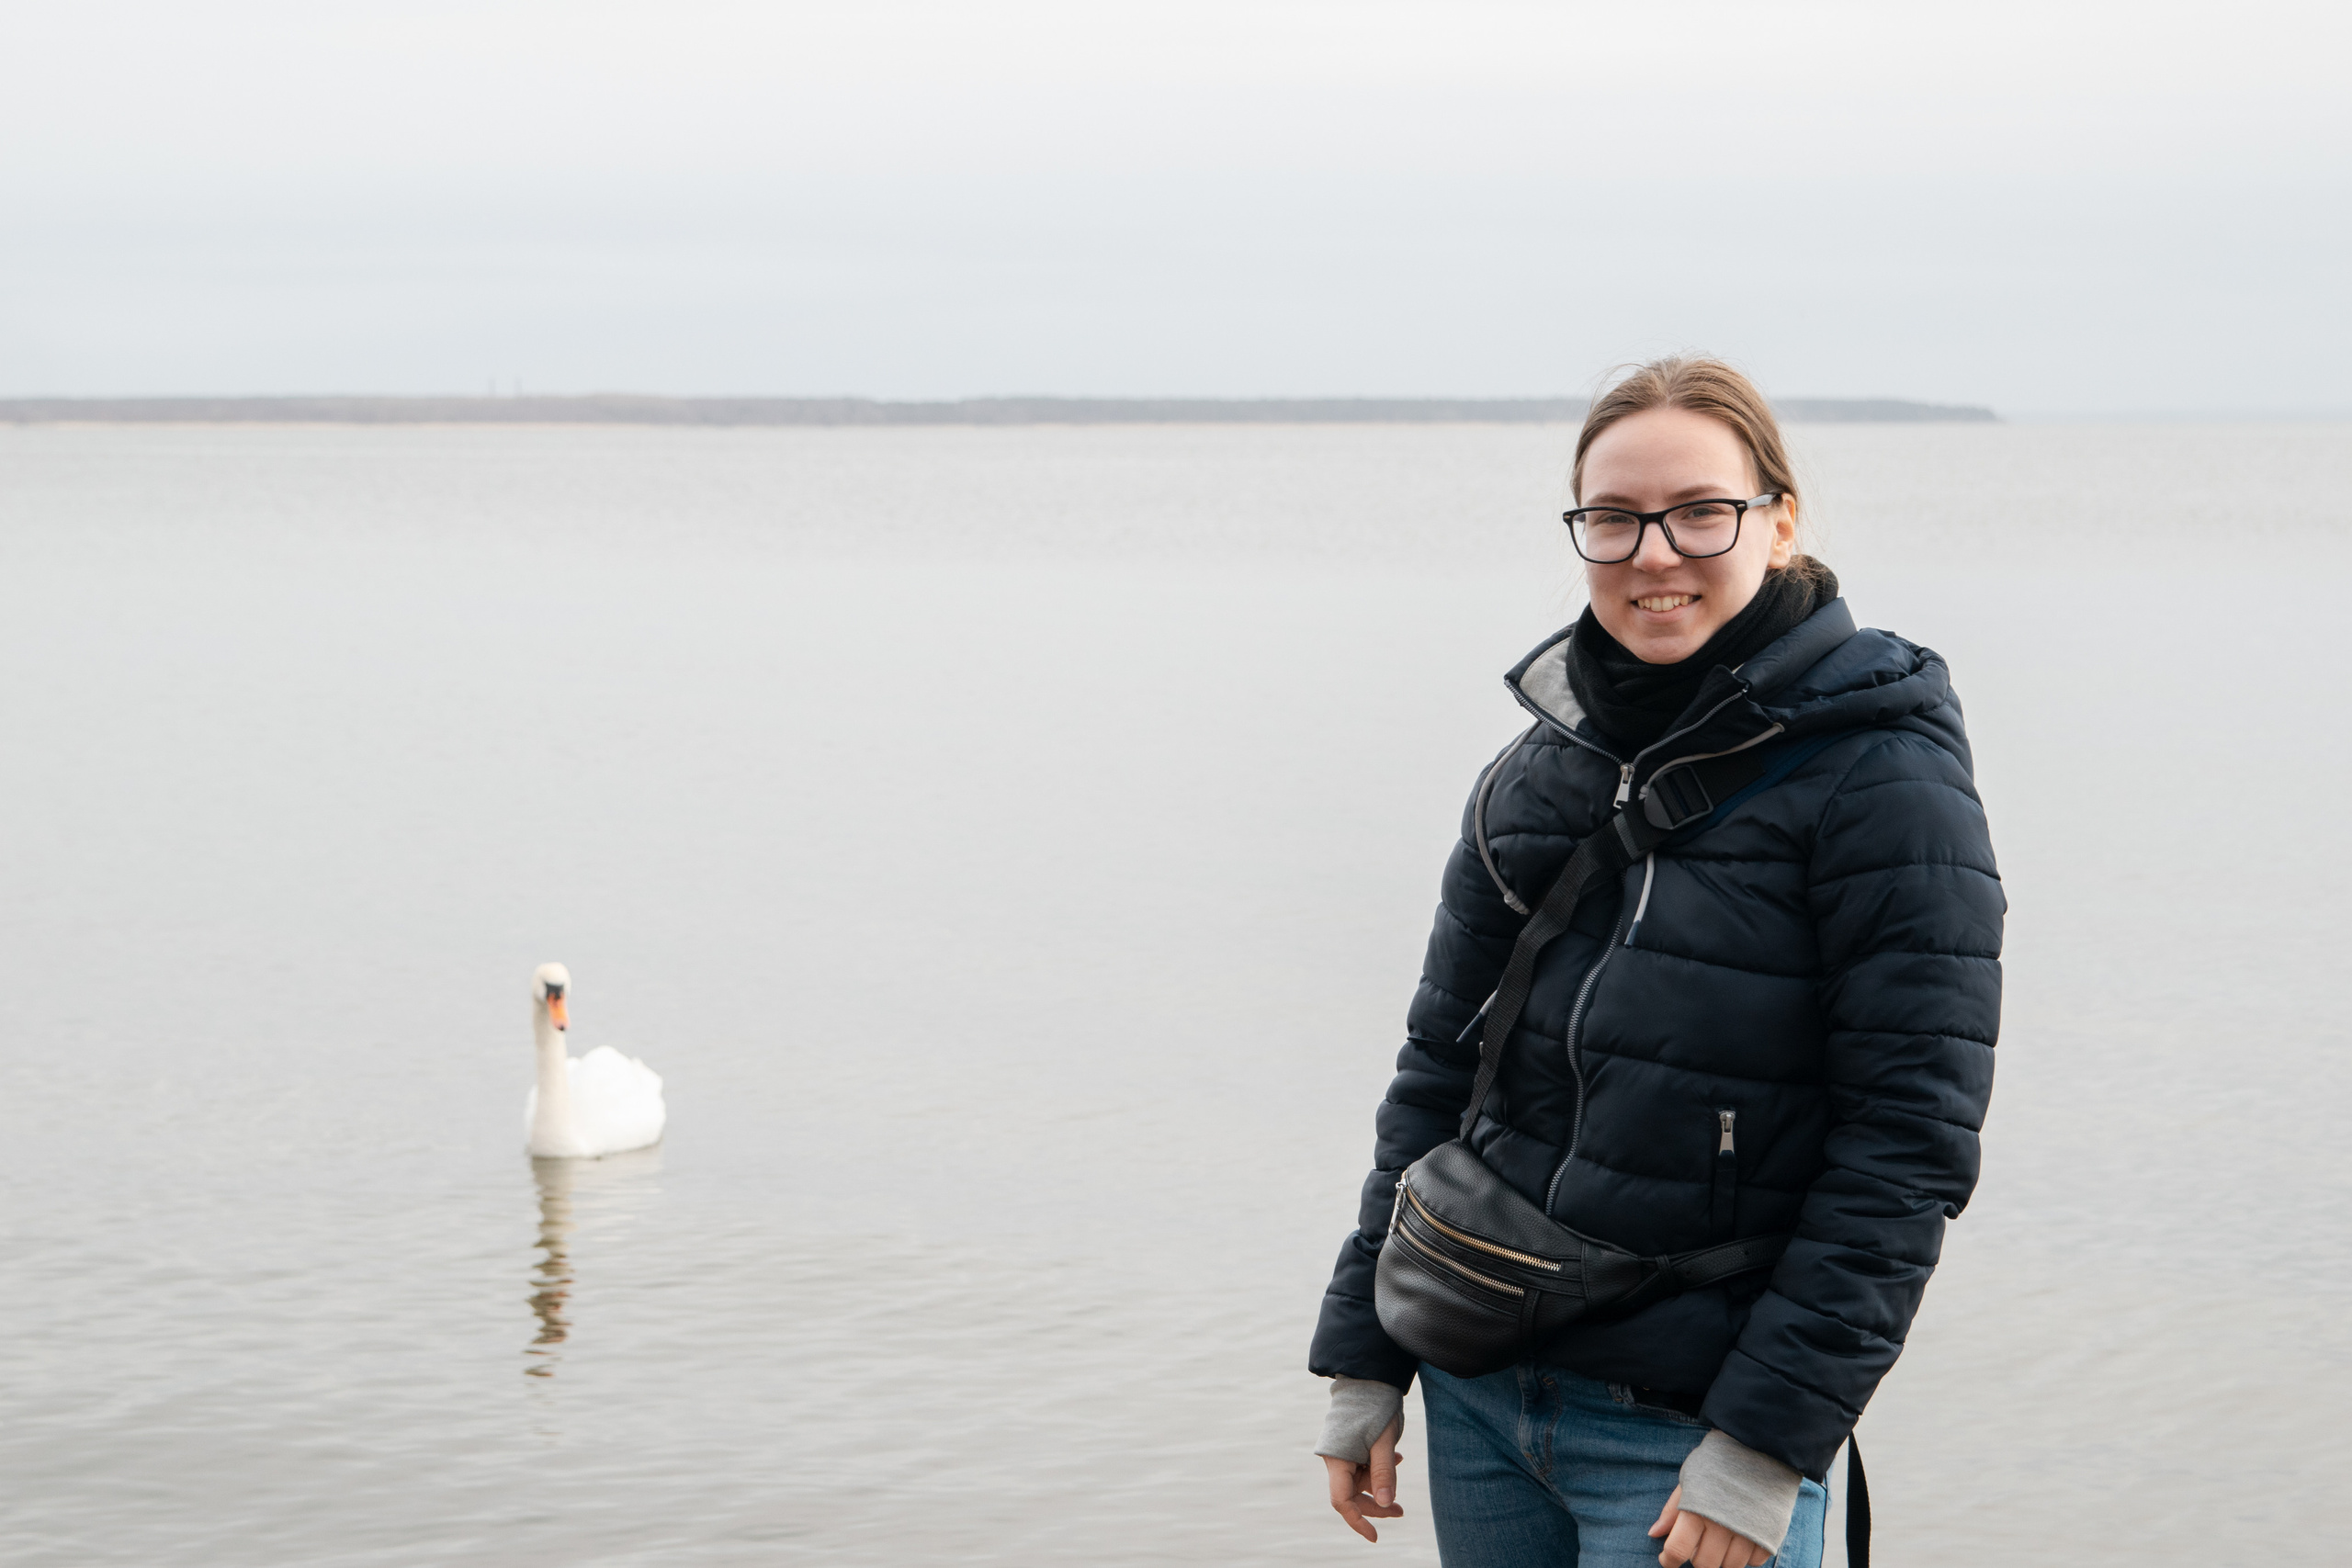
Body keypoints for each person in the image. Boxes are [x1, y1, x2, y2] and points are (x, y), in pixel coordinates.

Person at [1307, 357, 2003, 1567]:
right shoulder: (1541, 767)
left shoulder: (1883, 784)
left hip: (1688, 1439)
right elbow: (1439, 1076)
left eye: (1700, 512)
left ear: (1778, 522)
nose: (1654, 552)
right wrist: (1363, 1354)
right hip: (1479, 1396)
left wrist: (1765, 1448)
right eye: (1614, 519)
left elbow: (1907, 1148)